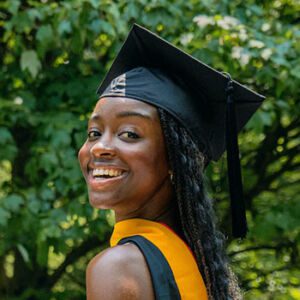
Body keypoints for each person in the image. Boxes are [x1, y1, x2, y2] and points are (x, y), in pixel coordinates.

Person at [78, 24, 264, 299]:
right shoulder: (190, 259)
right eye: (94, 133)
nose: (100, 147)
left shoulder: (119, 268)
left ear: (175, 160)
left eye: (129, 134)